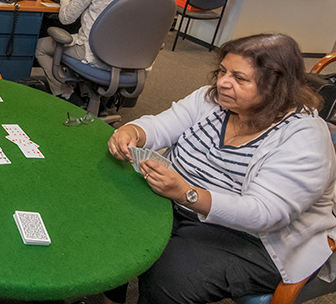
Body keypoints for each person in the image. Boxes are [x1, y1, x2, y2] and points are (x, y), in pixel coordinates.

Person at [105, 33, 336, 304]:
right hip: (179, 202)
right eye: (223, 71)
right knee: (114, 217)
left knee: (173, 273)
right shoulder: (213, 99)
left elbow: (264, 213)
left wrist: (187, 194)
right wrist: (134, 130)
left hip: (256, 239)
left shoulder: (304, 137)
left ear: (277, 86)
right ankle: (112, 297)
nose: (223, 82)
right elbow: (162, 125)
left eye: (239, 79)